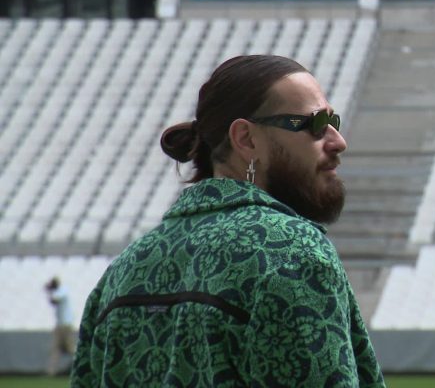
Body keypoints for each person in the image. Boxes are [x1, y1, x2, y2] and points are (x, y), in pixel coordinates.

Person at [71, 55, 385, 387]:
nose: (338, 141)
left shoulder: (123, 270)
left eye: (333, 120)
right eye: (315, 124)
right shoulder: (291, 251)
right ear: (246, 139)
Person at [45, 277, 76, 376]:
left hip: (66, 325)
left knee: (71, 348)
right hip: (60, 325)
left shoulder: (62, 290)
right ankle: (51, 372)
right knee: (55, 349)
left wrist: (49, 292)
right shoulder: (58, 291)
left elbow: (54, 301)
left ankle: (80, 367)